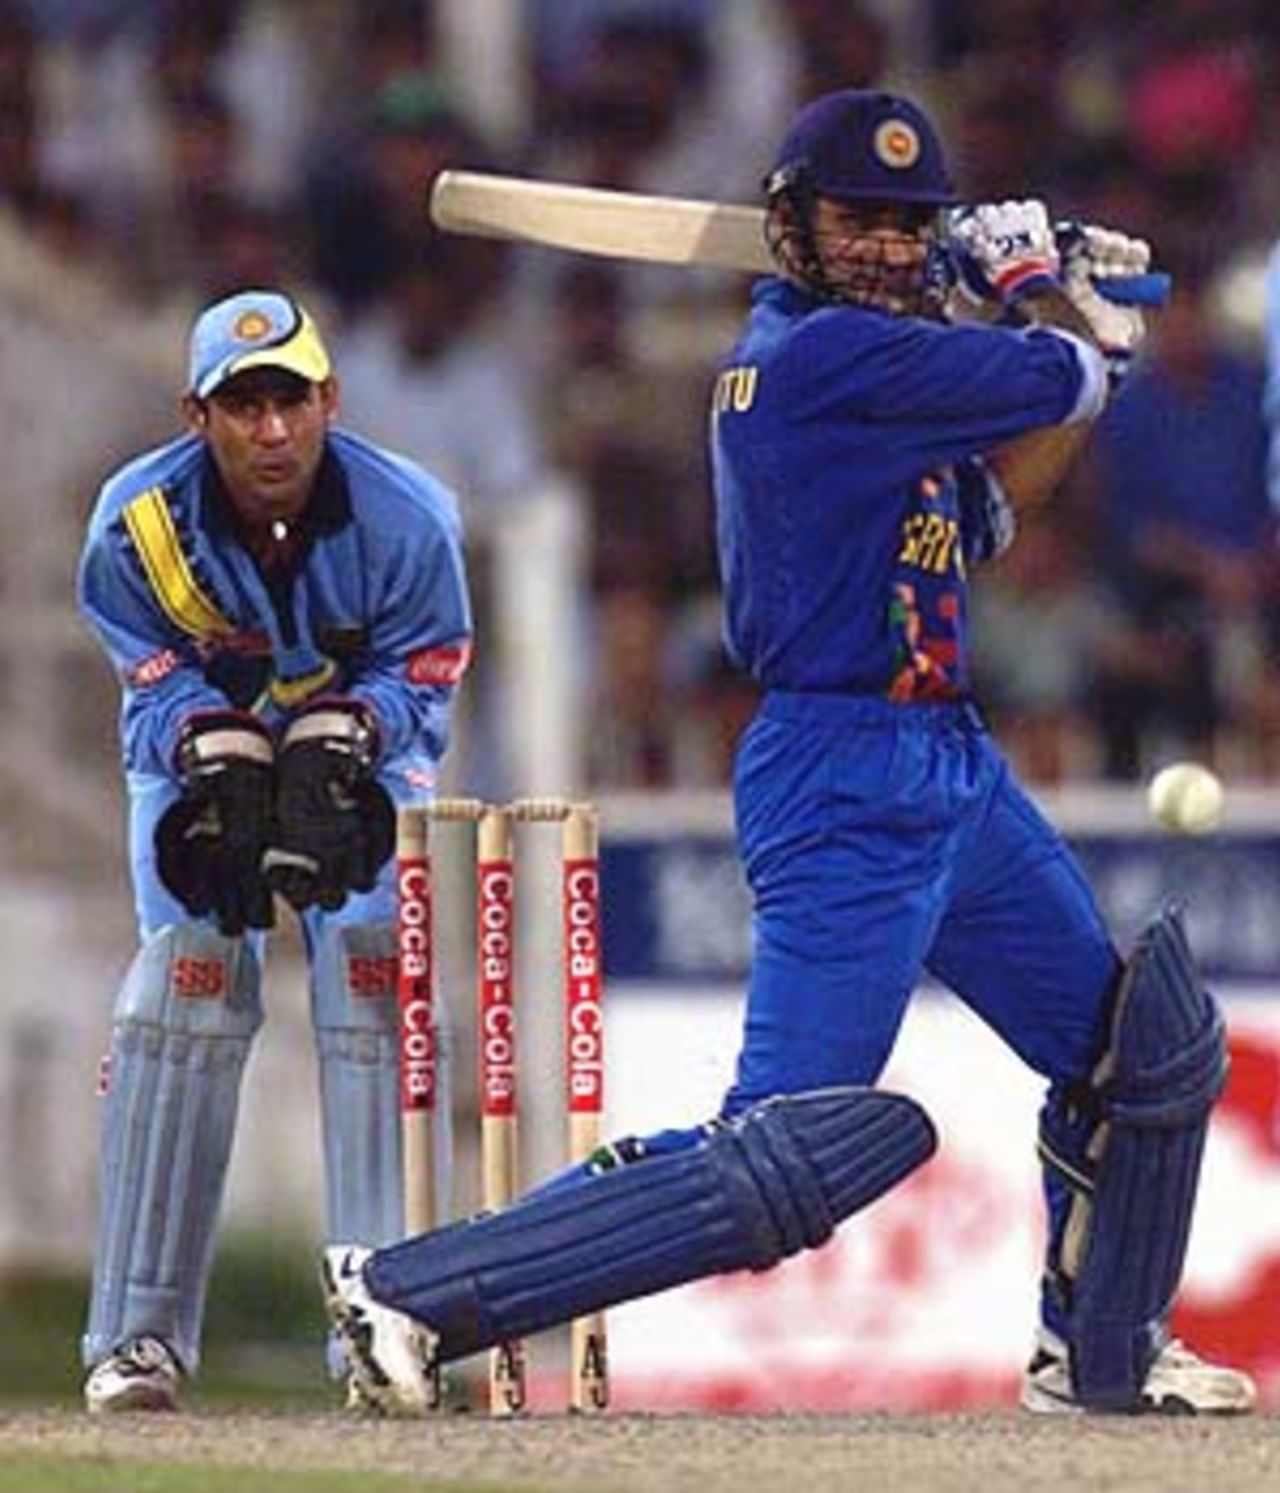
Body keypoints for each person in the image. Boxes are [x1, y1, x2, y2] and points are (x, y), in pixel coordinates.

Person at [318, 90, 1255, 1418]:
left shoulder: (891, 377)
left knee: (1143, 1053)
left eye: (907, 223)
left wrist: (1060, 335)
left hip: (952, 761)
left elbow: (995, 509)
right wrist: (1045, 301)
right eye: (856, 219)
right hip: (844, 774)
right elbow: (1057, 375)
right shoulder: (816, 361)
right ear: (791, 229)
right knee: (786, 1157)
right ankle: (414, 1289)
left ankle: (1101, 1359)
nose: (883, 244)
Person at [76, 288, 472, 1413]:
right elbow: (144, 679)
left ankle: (381, 1327)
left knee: (369, 957)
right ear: (196, 414)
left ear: (328, 401)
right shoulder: (136, 522)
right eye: (241, 405)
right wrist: (208, 737)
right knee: (188, 979)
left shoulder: (410, 518)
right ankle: (135, 1341)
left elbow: (428, 665)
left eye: (288, 400)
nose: (270, 432)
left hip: (357, 755)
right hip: (201, 754)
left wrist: (354, 732)